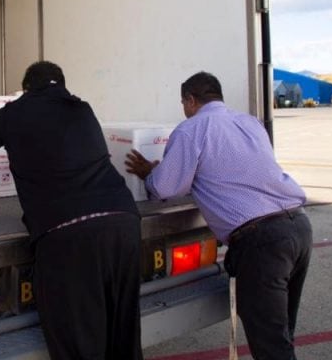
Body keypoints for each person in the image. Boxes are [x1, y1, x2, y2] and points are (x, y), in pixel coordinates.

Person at [0, 61, 144, 360]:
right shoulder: (83, 109)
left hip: (67, 232)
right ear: (62, 84)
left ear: (25, 88)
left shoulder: (15, 112)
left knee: (80, 336)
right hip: (122, 221)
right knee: (123, 331)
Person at [125, 71, 312, 360]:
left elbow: (165, 187)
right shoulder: (249, 123)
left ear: (190, 100)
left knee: (271, 344)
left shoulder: (192, 129)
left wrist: (150, 174)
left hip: (262, 241)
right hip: (298, 226)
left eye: (183, 103)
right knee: (282, 333)